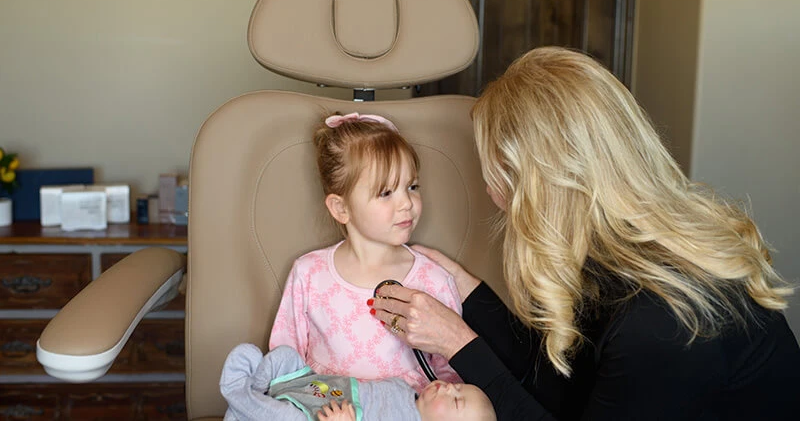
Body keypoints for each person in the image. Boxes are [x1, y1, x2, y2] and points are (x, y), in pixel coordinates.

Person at [369, 46, 800, 420]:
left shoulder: (663, 322)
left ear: (541, 187)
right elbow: (567, 388)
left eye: (498, 176)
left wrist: (458, 343)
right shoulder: (621, 259)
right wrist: (468, 291)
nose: (489, 191)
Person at [269, 112, 462, 393]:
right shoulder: (309, 274)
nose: (407, 203)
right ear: (341, 208)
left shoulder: (434, 280)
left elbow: (450, 374)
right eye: (386, 193)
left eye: (412, 186)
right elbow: (285, 360)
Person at [220, 343, 495, 421]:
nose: (448, 387)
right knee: (285, 357)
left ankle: (241, 397)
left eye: (457, 400)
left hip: (314, 416)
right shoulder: (405, 388)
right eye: (457, 385)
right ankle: (255, 394)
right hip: (315, 389)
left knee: (286, 418)